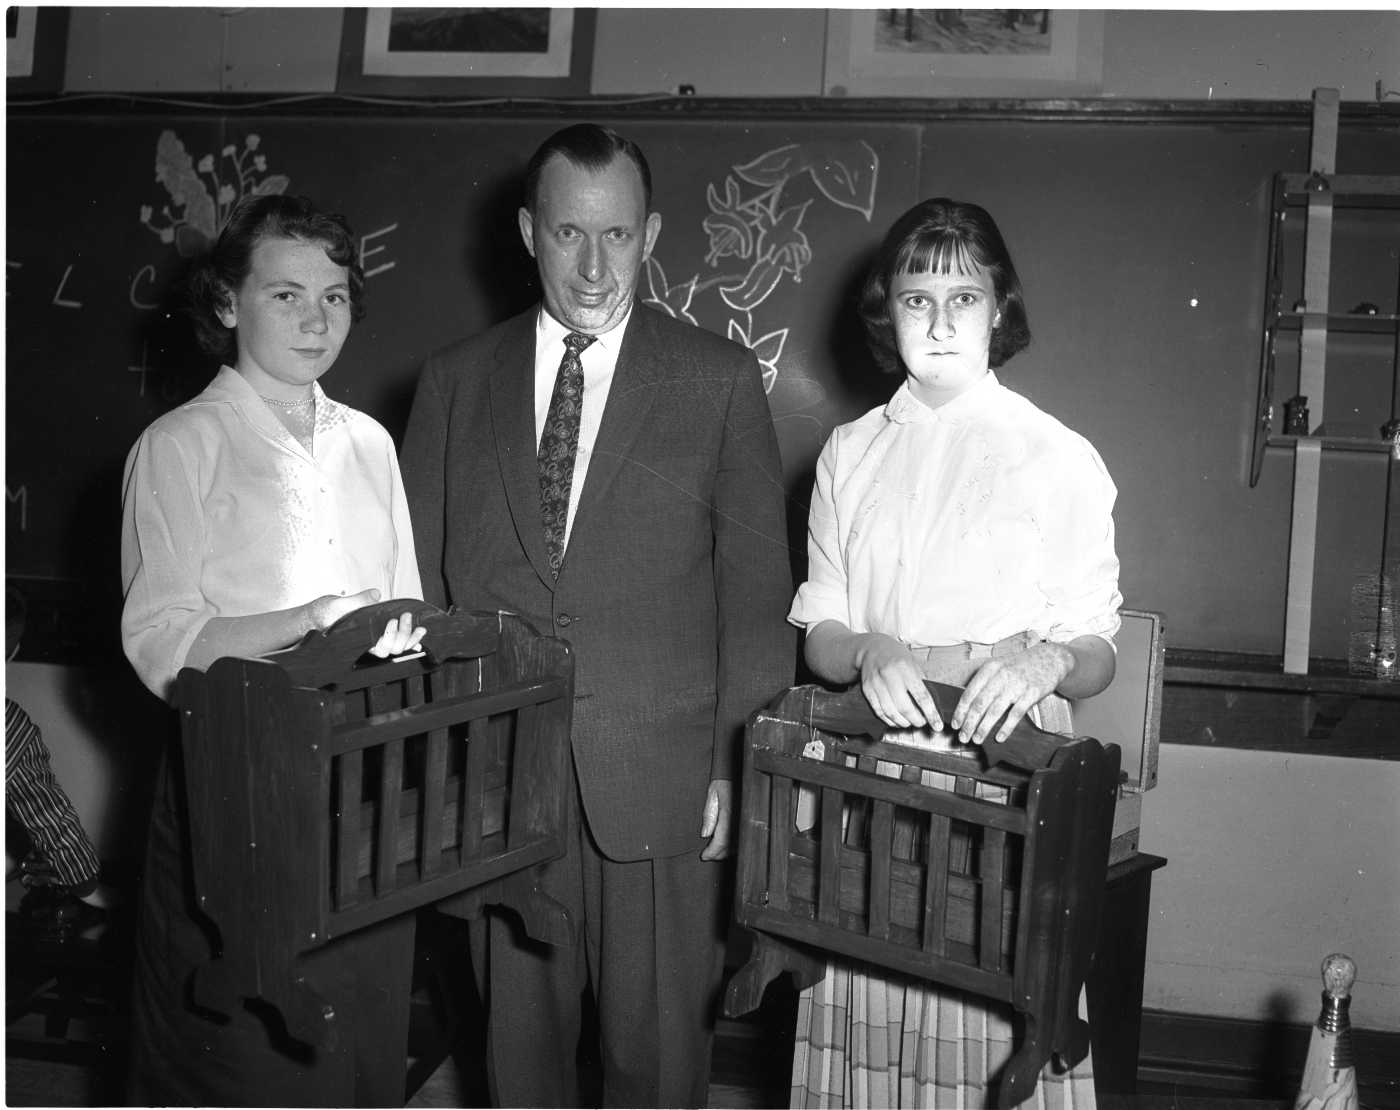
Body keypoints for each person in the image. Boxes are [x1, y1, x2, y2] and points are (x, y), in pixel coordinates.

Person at [400, 123, 795, 1107]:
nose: (591, 266)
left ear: (650, 235)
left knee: (656, 1072)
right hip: (502, 789)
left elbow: (755, 599)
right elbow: (416, 592)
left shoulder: (718, 380)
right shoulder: (453, 382)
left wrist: (737, 766)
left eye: (616, 236)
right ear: (526, 231)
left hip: (664, 790)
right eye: (568, 233)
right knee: (517, 1070)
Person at [786, 197, 1122, 1108]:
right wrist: (870, 649)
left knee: (989, 1017)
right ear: (886, 311)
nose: (939, 323)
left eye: (964, 298)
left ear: (999, 308)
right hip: (879, 754)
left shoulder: (1057, 456)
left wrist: (1046, 661)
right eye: (917, 299)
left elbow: (1097, 649)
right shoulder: (848, 453)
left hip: (1004, 762)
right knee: (872, 988)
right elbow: (823, 634)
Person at [120, 193, 425, 1105]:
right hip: (234, 779)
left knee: (361, 1035)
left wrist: (398, 641)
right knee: (249, 1051)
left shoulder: (370, 443)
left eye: (333, 297)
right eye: (285, 295)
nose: (315, 320)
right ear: (227, 303)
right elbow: (161, 639)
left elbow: (403, 602)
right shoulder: (180, 444)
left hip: (362, 777)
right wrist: (311, 618)